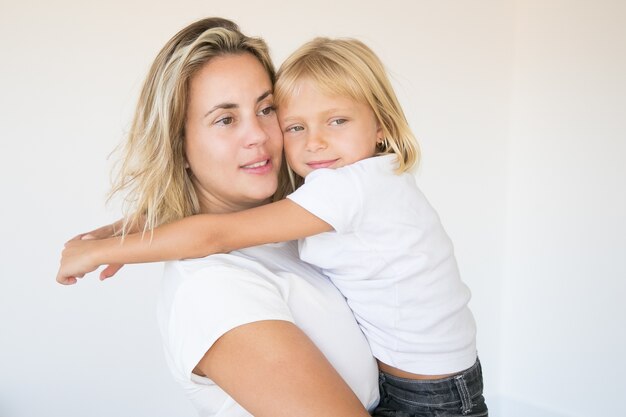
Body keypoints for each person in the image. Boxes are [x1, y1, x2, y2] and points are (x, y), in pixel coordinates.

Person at [57, 36, 488, 416]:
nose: (260, 136)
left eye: (266, 110)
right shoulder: (213, 293)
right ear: (179, 146)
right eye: (226, 119)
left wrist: (119, 238)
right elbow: (210, 234)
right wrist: (118, 239)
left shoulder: (310, 210)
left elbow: (215, 228)